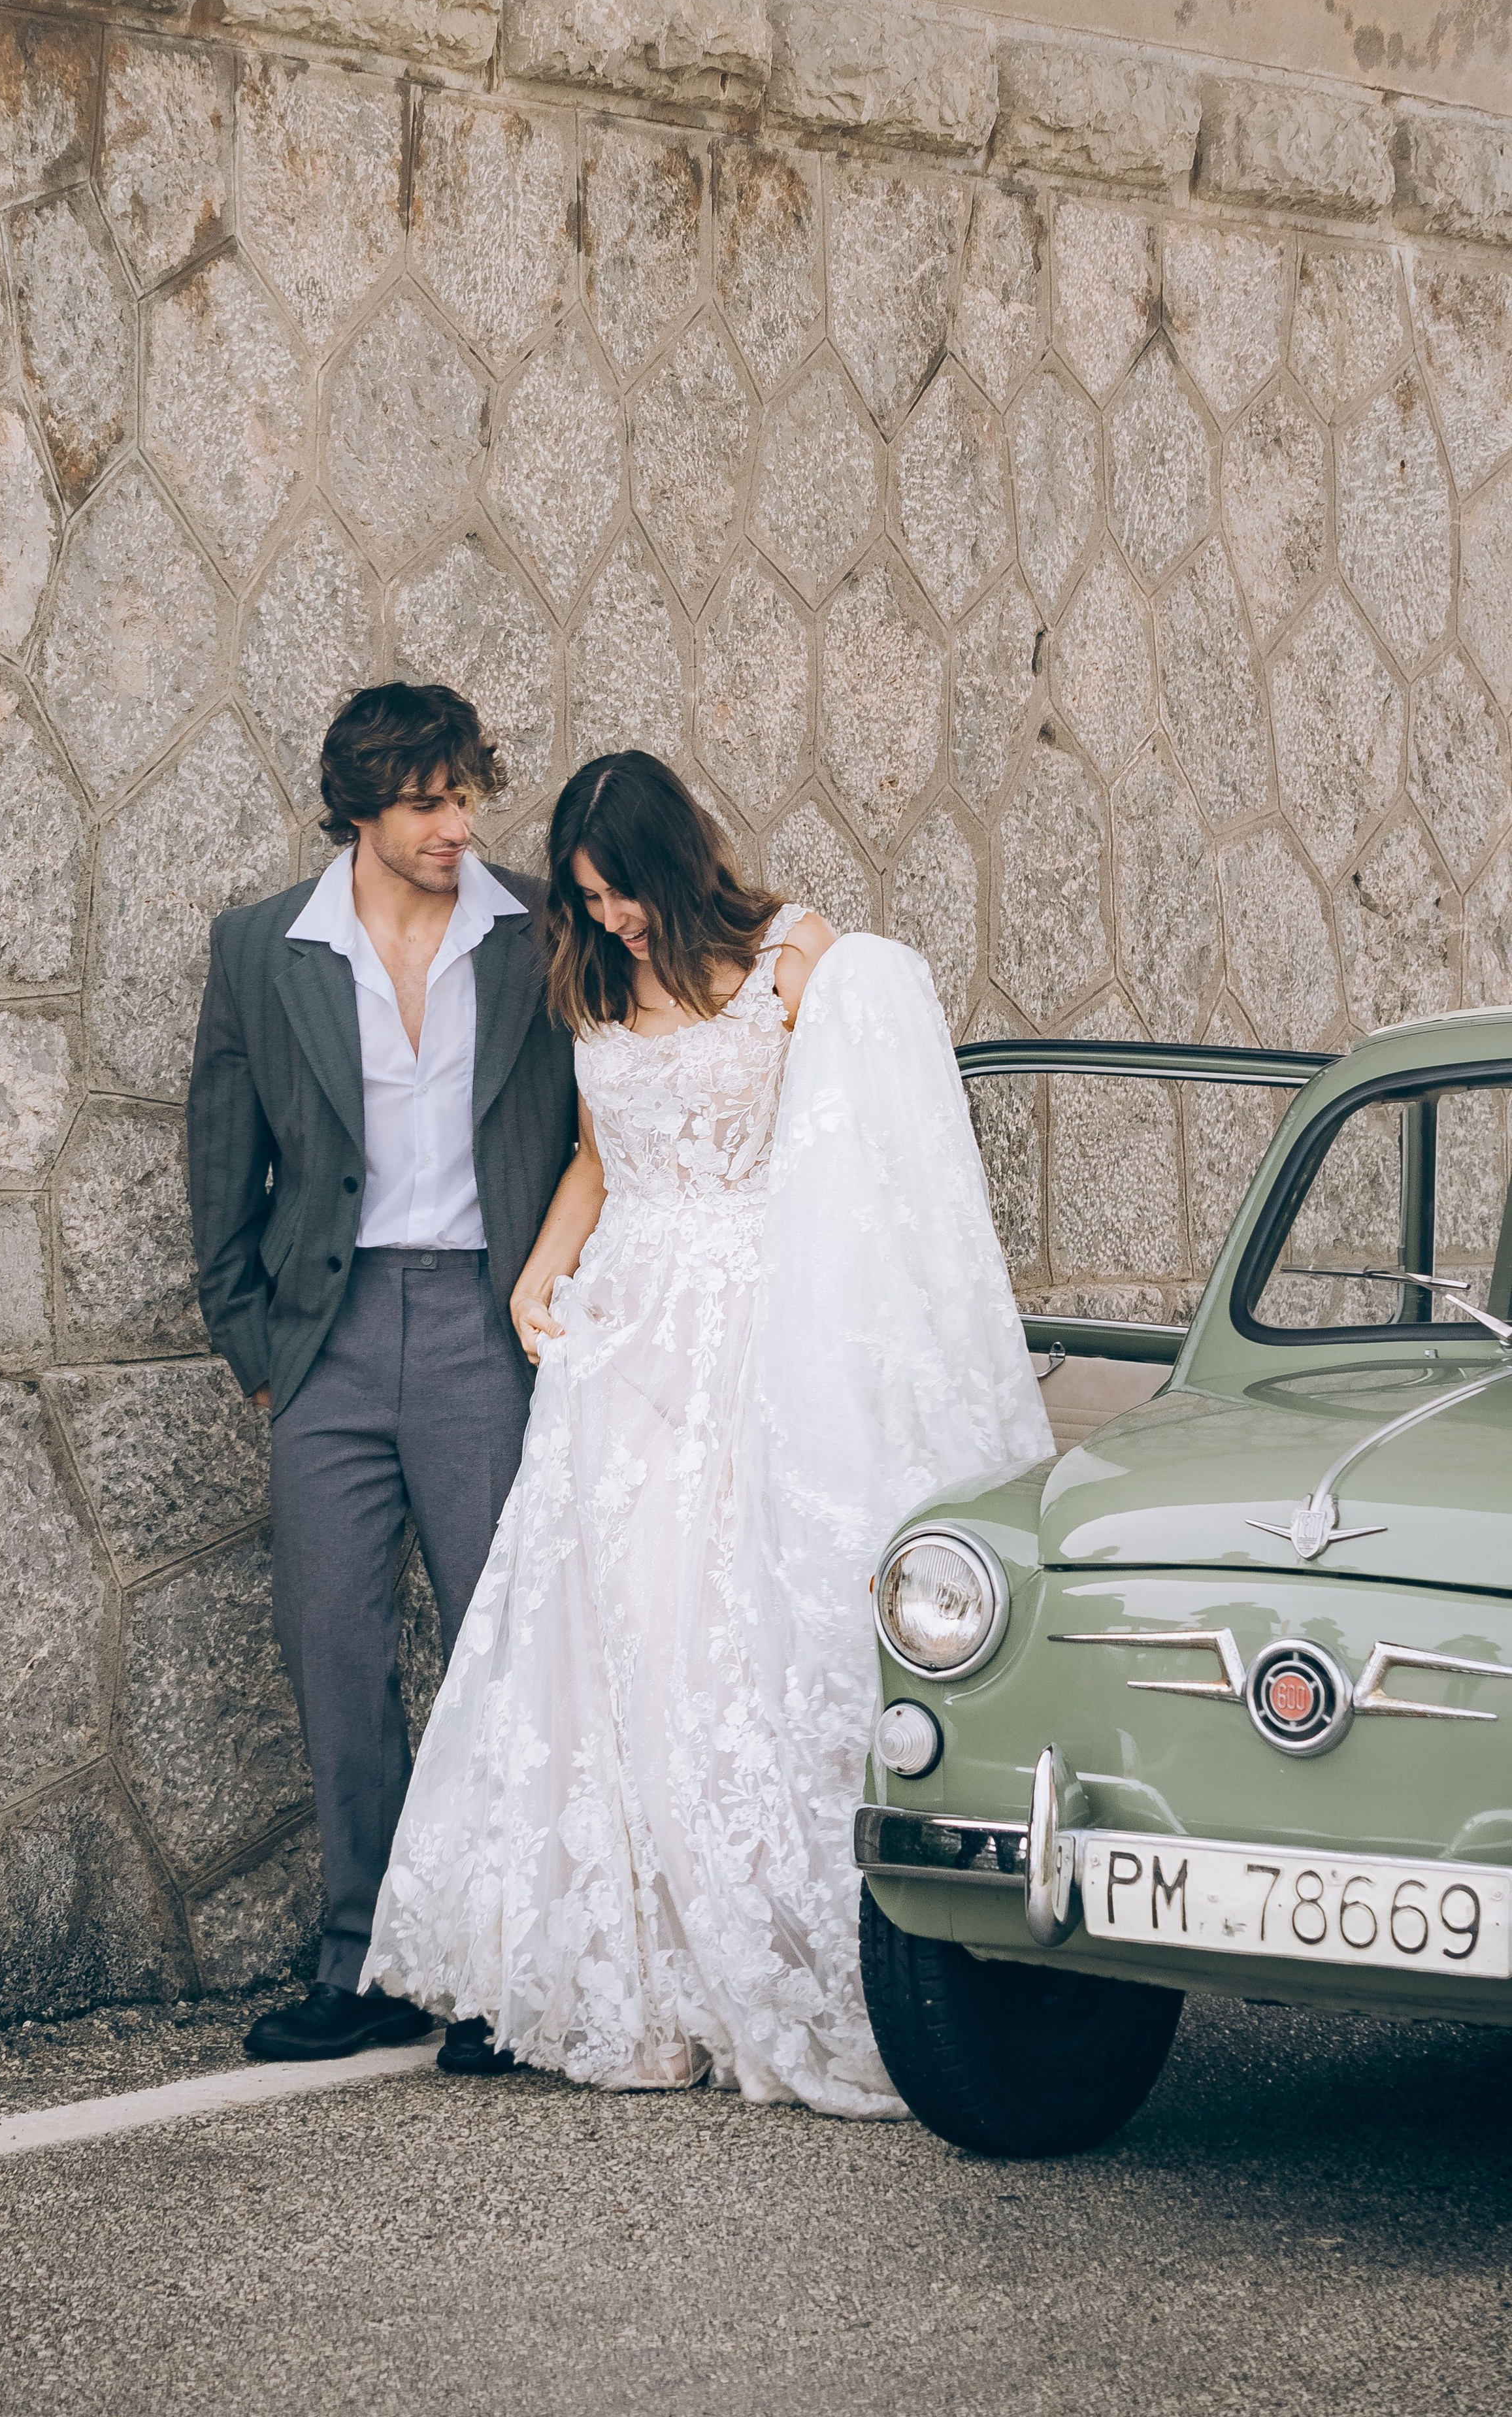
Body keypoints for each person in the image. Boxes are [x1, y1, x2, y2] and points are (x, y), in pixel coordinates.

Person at [359, 751, 1053, 2111]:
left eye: (619, 892)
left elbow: (876, 1151)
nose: (607, 918)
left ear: (675, 865)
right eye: (585, 898)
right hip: (625, 1343)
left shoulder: (800, 960)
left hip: (762, 1328)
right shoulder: (595, 983)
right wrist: (538, 1275)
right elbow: (596, 1160)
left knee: (732, 1633)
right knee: (616, 1645)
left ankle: (766, 1960)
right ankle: (644, 1992)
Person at [186, 682, 576, 2064]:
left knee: (498, 1654)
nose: (454, 826)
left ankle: (498, 1977)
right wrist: (258, 1357)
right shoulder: (260, 949)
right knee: (335, 1652)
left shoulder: (539, 931)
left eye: (467, 796)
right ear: (357, 803)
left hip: (486, 1327)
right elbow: (221, 1163)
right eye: (425, 801)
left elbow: (611, 1121)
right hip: (330, 1342)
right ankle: (366, 1961)